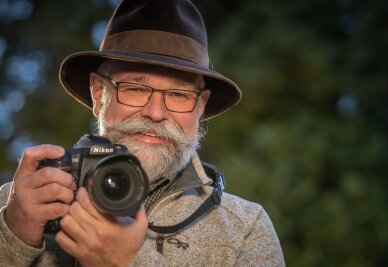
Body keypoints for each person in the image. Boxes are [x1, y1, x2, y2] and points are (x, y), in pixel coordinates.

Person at [0, 0, 285, 266]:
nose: (156, 112)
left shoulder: (246, 228)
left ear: (201, 105)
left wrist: (130, 261)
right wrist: (14, 240)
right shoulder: (17, 204)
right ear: (99, 94)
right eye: (135, 89)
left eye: (178, 94)